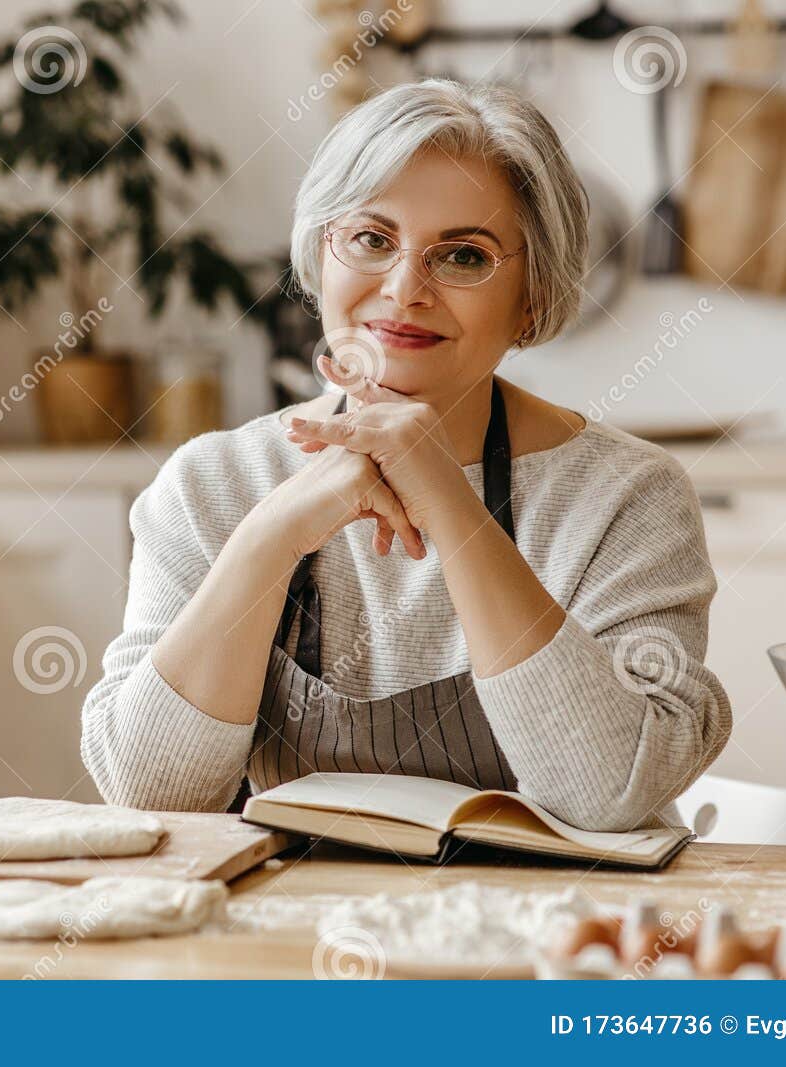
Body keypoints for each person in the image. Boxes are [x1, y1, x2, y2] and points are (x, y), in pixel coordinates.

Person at [80, 79, 732, 832]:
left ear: (532, 294)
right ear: (322, 255)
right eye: (371, 239)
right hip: (293, 934)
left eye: (463, 255)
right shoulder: (211, 486)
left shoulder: (629, 497)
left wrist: (449, 505)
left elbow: (609, 794)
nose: (403, 289)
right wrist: (273, 532)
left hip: (560, 938)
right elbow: (149, 794)